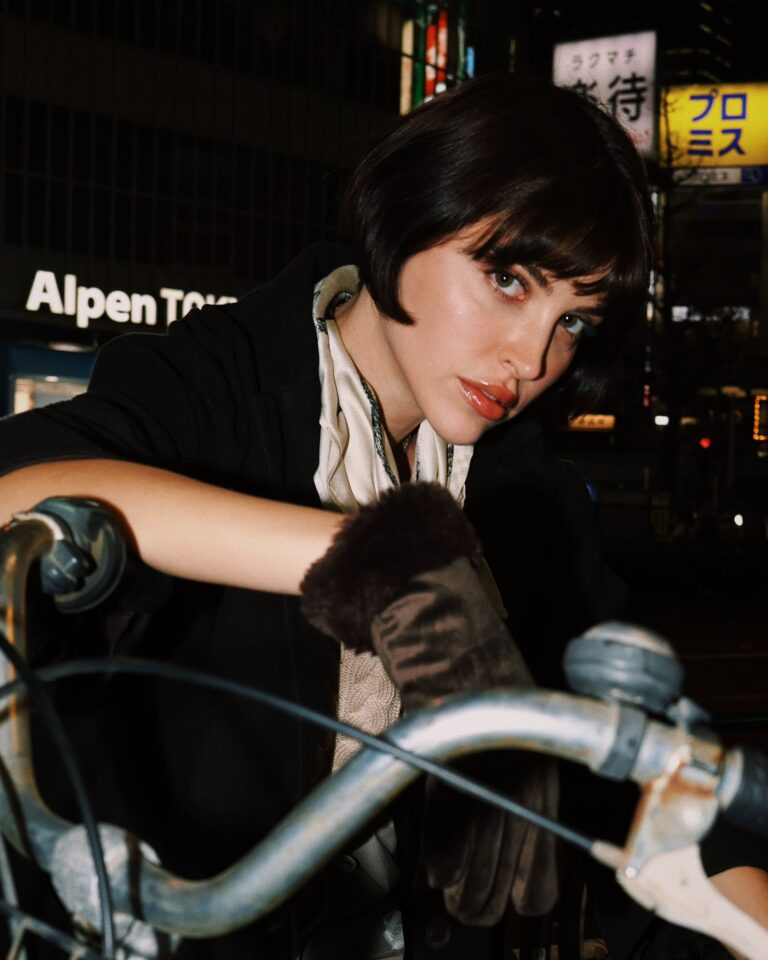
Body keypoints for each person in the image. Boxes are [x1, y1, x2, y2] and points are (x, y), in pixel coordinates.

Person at [0, 71, 764, 960]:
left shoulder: (526, 494)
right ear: (408, 214)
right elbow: (19, 484)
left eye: (576, 324)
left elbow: (644, 760)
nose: (532, 357)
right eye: (508, 279)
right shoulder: (222, 381)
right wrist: (387, 565)